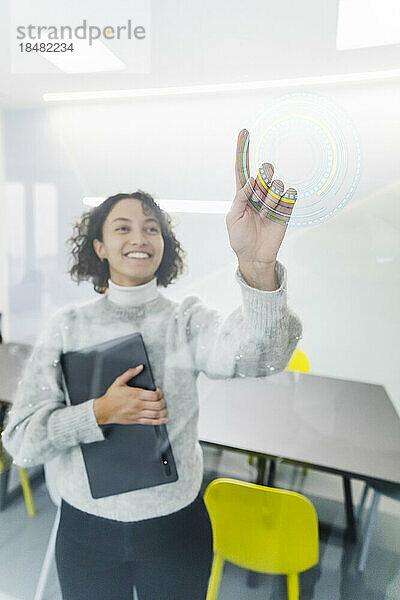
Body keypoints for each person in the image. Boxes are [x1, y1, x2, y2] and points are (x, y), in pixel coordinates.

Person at [1, 129, 303, 599]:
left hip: (174, 526)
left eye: (151, 227)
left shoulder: (185, 320)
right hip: (86, 530)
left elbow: (261, 357)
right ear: (98, 246)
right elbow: (21, 439)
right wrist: (97, 413)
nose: (139, 236)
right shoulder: (68, 326)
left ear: (164, 245)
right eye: (122, 227)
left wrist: (256, 264)